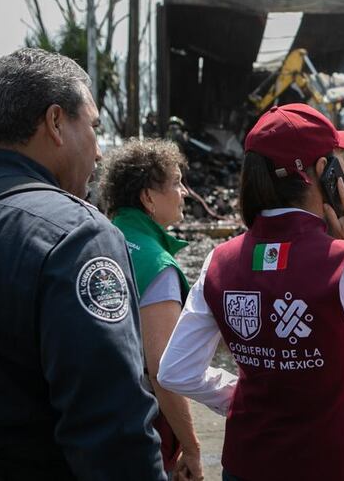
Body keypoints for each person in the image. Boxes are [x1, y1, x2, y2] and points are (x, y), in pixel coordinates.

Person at [0, 48, 165, 479]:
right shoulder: (77, 235)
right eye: (94, 127)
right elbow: (114, 432)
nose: (98, 153)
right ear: (56, 122)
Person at [158, 103, 344, 481]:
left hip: (248, 462)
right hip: (335, 462)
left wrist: (238, 394)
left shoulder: (219, 262)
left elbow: (176, 371)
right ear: (324, 173)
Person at [100, 139, 235, 480]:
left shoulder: (99, 239)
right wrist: (191, 447)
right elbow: (163, 370)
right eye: (175, 182)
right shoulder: (157, 264)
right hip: (141, 426)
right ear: (147, 197)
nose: (185, 192)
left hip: (94, 415)